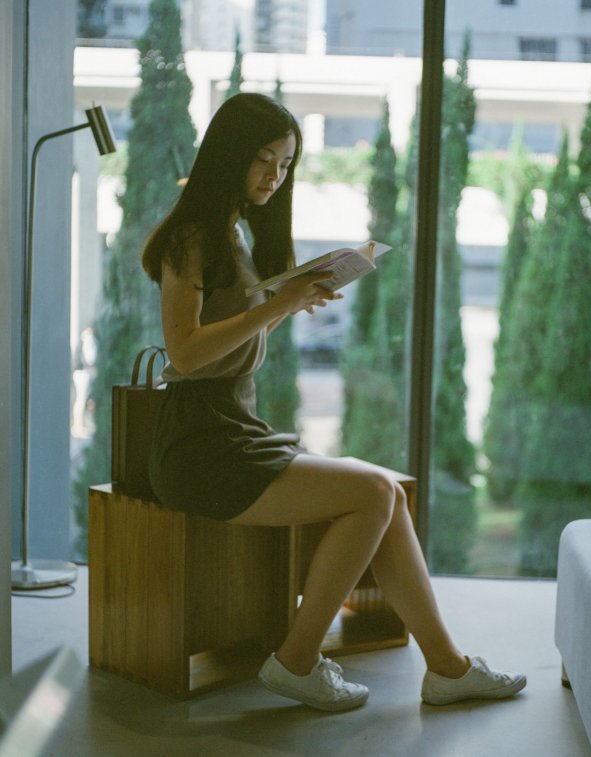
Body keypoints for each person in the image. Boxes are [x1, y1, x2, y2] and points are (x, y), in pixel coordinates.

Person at [142, 93, 526, 712]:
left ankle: (448, 669)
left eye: (287, 163)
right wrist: (278, 305)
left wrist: (284, 298)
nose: (274, 175)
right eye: (263, 159)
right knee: (376, 493)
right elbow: (184, 354)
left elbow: (227, 334)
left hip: (233, 427)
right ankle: (297, 661)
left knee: (387, 496)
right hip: (200, 443)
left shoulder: (235, 232)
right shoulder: (193, 235)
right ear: (230, 156)